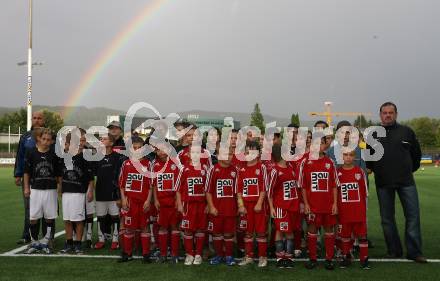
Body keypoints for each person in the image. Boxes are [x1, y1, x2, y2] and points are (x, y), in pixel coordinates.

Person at [366, 102, 426, 263]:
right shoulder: (373, 134)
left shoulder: (407, 132)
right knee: (387, 219)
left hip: (406, 181)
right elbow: (369, 160)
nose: (387, 115)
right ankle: (394, 251)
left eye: (391, 112)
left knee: (413, 216)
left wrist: (406, 170)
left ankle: (414, 252)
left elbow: (416, 156)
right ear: (380, 115)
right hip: (383, 183)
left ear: (396, 114)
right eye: (384, 113)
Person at [299, 137, 339, 270]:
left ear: (325, 145)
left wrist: (334, 204)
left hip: (327, 205)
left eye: (321, 143)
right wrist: (306, 204)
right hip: (313, 205)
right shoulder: (306, 162)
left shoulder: (330, 162)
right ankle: (313, 258)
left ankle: (329, 259)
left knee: (329, 231)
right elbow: (303, 186)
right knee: (312, 230)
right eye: (315, 143)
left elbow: (334, 185)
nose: (318, 146)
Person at [24, 128, 60, 254]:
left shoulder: (54, 155)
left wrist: (59, 189)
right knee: (33, 217)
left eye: (48, 140)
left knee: (49, 217)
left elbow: (58, 174)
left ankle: (46, 242)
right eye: (43, 138)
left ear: (51, 141)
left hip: (50, 190)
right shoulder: (31, 153)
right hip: (35, 190)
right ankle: (34, 242)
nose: (45, 141)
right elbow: (27, 173)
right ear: (39, 138)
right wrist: (26, 187)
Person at [59, 130, 94, 254]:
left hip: (79, 192)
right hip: (66, 192)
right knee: (67, 219)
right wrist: (60, 189)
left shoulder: (85, 157)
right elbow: (61, 176)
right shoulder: (64, 157)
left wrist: (90, 192)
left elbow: (90, 178)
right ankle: (69, 243)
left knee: (78, 220)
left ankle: (78, 244)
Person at [118, 136, 152, 263]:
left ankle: (146, 254)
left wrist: (148, 200)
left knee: (144, 227)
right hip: (130, 201)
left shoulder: (148, 164)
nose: (137, 150)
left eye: (139, 148)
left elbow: (151, 185)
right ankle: (127, 253)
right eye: (134, 148)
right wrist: (123, 199)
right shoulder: (126, 164)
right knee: (129, 228)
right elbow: (121, 184)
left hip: (143, 202)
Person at [14, 111, 45, 244]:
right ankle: (27, 235)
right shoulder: (25, 136)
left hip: (45, 178)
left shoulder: (50, 135)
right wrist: (17, 174)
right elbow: (20, 156)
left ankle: (47, 236)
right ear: (32, 120)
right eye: (35, 118)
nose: (37, 120)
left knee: (45, 208)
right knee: (29, 207)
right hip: (28, 178)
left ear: (43, 120)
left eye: (39, 118)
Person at [236, 141, 269, 267]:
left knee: (261, 232)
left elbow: (264, 188)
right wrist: (240, 205)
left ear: (259, 153)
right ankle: (248, 256)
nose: (250, 153)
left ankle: (262, 257)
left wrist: (260, 203)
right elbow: (238, 189)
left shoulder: (262, 167)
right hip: (246, 206)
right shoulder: (241, 168)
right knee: (248, 232)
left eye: (254, 151)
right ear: (244, 153)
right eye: (248, 151)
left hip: (258, 205)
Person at [268, 144, 301, 268]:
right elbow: (270, 192)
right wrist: (272, 208)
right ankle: (280, 257)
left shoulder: (291, 167)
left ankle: (289, 257)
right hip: (281, 207)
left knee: (290, 231)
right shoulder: (275, 171)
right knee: (280, 230)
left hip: (293, 206)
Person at [176, 146, 209, 266]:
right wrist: (180, 204)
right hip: (188, 205)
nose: (195, 154)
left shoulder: (205, 168)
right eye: (193, 152)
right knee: (188, 229)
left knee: (200, 229)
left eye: (198, 153)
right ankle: (189, 254)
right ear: (189, 154)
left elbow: (208, 189)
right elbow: (178, 189)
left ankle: (198, 254)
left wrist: (208, 205)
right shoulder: (184, 169)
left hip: (201, 204)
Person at [337, 149, 370, 269]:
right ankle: (346, 256)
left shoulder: (359, 171)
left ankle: (364, 258)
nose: (348, 157)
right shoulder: (338, 172)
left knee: (362, 235)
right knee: (345, 235)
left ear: (355, 157)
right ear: (342, 157)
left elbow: (365, 192)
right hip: (344, 211)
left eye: (351, 155)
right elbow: (335, 192)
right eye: (345, 155)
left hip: (358, 211)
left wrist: (364, 210)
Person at [205, 149, 238, 266]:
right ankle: (219, 255)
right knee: (217, 233)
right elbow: (208, 191)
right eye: (226, 154)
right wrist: (211, 206)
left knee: (229, 234)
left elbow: (237, 191)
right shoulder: (213, 170)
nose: (229, 157)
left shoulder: (235, 170)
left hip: (230, 209)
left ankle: (229, 256)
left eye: (230, 154)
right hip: (216, 210)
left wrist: (239, 205)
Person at [151, 141, 182, 264]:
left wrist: (177, 200)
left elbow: (180, 184)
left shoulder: (176, 163)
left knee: (175, 226)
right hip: (161, 202)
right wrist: (156, 200)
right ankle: (163, 253)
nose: (161, 152)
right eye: (158, 150)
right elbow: (153, 185)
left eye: (164, 149)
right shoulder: (155, 164)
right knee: (162, 227)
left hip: (173, 201)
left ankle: (174, 254)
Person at [92, 135, 123, 250]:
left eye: (104, 139)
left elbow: (120, 177)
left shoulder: (117, 157)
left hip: (113, 193)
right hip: (100, 193)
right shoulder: (96, 158)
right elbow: (93, 176)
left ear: (111, 143)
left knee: (115, 217)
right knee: (101, 217)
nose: (101, 141)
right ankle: (101, 239)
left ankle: (115, 240)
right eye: (100, 139)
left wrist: (119, 194)